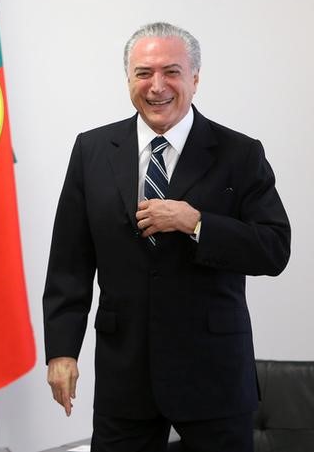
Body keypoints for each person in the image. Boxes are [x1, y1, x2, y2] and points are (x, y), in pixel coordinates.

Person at [42, 22, 290, 452]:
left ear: (195, 78)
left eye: (171, 72)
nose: (157, 86)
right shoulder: (92, 151)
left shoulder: (240, 153)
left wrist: (196, 223)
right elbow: (70, 264)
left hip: (214, 376)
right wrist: (62, 352)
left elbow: (274, 249)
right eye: (144, 73)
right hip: (126, 377)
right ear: (128, 80)